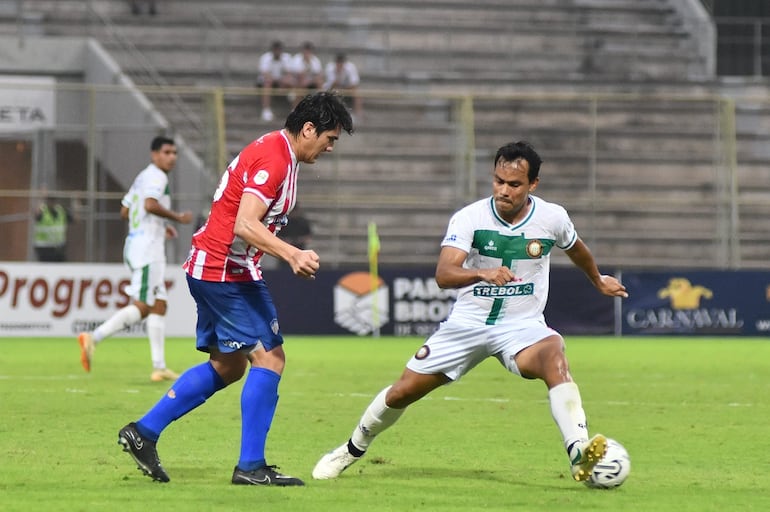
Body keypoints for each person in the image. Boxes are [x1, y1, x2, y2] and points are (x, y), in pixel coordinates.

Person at [312, 141, 629, 483]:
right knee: (402, 392)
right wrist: (482, 272)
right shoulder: (471, 218)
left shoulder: (552, 218)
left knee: (554, 353)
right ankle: (350, 449)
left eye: (514, 184)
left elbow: (576, 248)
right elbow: (444, 274)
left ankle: (579, 451)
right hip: (467, 324)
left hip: (522, 326)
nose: (503, 190)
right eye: (498, 181)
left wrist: (597, 279)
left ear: (533, 185)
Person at [116, 91, 353, 486]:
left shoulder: (281, 153)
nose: (330, 148)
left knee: (228, 367)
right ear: (309, 129)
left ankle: (144, 432)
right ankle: (251, 467)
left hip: (217, 268)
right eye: (330, 139)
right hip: (225, 272)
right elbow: (245, 224)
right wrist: (291, 254)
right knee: (270, 359)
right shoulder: (276, 158)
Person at [78, 136, 193, 382]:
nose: (172, 156)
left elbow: (125, 211)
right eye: (167, 152)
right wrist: (177, 218)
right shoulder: (157, 177)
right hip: (147, 250)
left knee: (159, 305)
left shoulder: (142, 176)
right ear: (154, 155)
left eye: (174, 152)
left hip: (138, 244)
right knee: (143, 305)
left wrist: (159, 226)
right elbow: (150, 205)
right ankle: (93, 337)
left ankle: (159, 366)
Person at [257, 40, 296, 122]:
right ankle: (266, 110)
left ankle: (294, 109)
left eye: (279, 50)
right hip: (268, 81)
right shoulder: (265, 58)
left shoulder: (287, 58)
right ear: (273, 50)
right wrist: (279, 80)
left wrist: (283, 81)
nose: (277, 52)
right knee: (267, 83)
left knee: (292, 83)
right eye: (276, 50)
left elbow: (289, 74)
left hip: (281, 81)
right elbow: (265, 74)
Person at [323, 53, 363, 121]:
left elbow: (354, 84)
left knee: (357, 93)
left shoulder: (350, 67)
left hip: (347, 89)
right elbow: (331, 85)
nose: (340, 65)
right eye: (338, 63)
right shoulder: (330, 68)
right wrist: (337, 75)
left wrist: (343, 89)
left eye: (341, 63)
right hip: (334, 89)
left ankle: (358, 115)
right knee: (328, 93)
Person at [33, 195, 73, 262]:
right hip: (44, 247)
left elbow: (75, 219)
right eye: (49, 201)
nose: (51, 203)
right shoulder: (43, 211)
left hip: (58, 247)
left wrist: (76, 201)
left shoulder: (61, 211)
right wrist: (41, 197)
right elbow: (36, 214)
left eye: (53, 201)